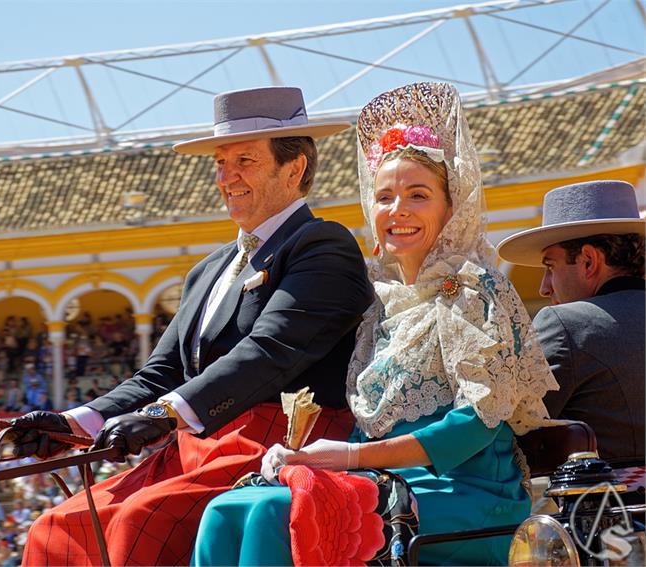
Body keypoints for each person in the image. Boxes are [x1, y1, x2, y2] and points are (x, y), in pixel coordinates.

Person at [193, 82, 558, 566]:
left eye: (418, 195)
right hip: (381, 484)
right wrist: (305, 458)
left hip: (460, 495)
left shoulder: (474, 290)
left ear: (451, 208)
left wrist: (349, 459)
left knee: (273, 515)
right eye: (385, 197)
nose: (398, 210)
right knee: (226, 510)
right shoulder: (377, 305)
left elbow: (475, 425)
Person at [7, 86, 374, 565]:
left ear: (295, 167)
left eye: (245, 159)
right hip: (197, 445)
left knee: (140, 522)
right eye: (220, 163)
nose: (227, 176)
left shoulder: (322, 244)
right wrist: (75, 423)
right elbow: (161, 372)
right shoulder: (209, 268)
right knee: (55, 527)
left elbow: (269, 351)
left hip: (278, 441)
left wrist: (163, 415)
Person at [497, 180, 645, 495]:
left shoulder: (566, 323)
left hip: (611, 525)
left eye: (550, 267)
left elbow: (506, 427)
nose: (544, 287)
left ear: (589, 261)